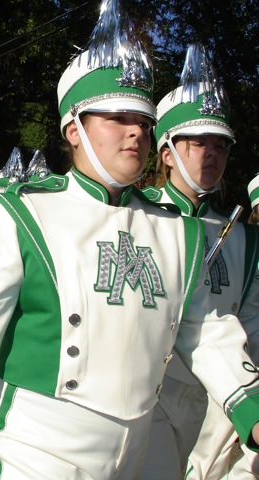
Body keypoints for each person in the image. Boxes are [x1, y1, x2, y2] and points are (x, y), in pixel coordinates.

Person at [0, 2, 259, 479]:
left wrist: (253, 411)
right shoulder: (23, 213)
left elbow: (203, 329)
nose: (136, 133)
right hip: (38, 446)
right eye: (116, 117)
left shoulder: (176, 230)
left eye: (143, 121)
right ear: (72, 130)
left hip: (143, 449)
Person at [139, 44, 259, 479]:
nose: (211, 153)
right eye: (197, 142)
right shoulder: (134, 216)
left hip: (217, 401)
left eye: (220, 145)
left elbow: (251, 321)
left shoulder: (245, 238)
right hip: (142, 391)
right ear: (167, 151)